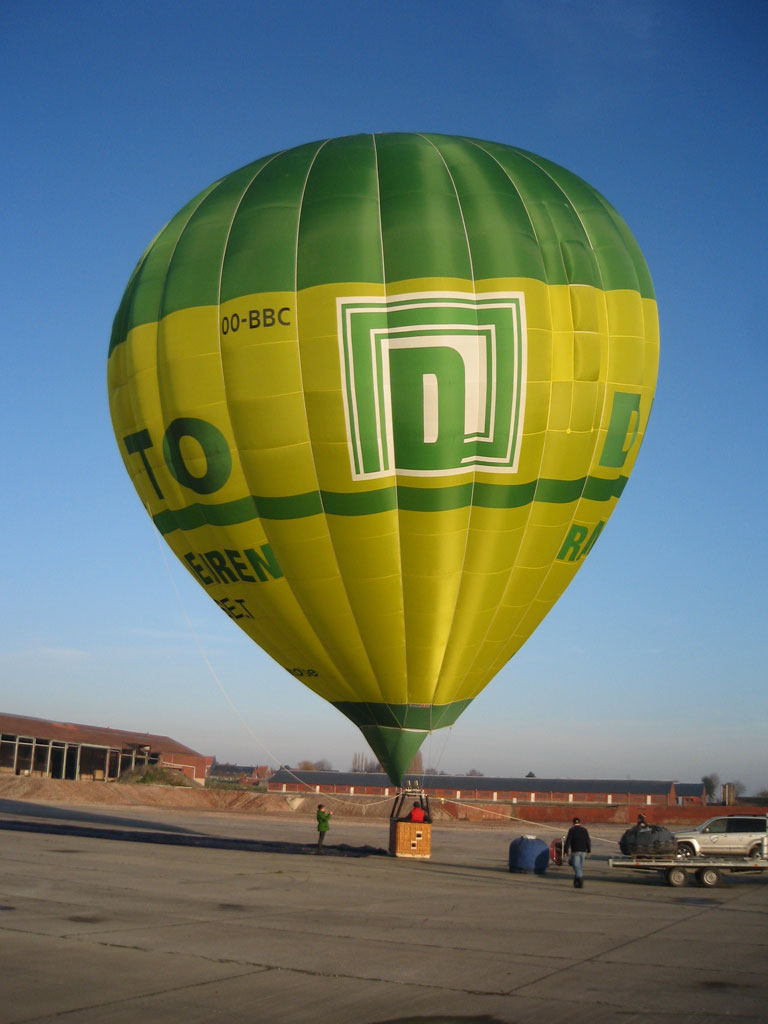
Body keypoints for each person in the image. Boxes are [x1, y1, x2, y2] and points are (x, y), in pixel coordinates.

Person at [564, 816, 591, 889]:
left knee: (576, 866)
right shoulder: (584, 830)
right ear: (580, 822)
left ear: (573, 823)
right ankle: (576, 880)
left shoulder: (571, 830)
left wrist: (566, 850)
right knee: (579, 866)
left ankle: (579, 880)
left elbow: (568, 840)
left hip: (575, 850)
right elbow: (588, 840)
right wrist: (589, 850)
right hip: (583, 851)